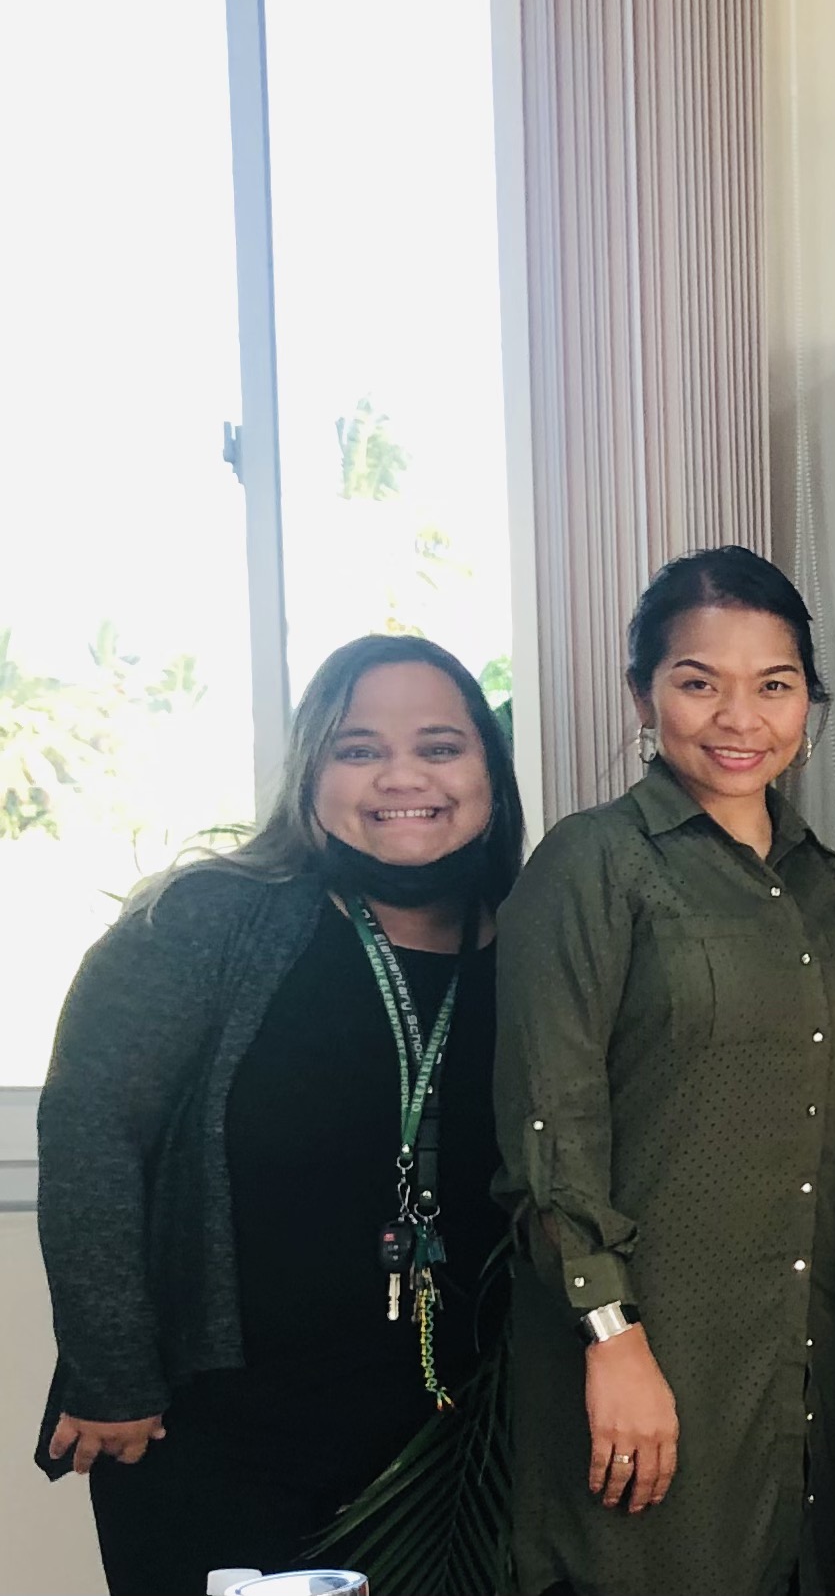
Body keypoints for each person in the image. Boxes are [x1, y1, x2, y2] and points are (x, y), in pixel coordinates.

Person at [34, 634, 522, 1596]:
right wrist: (113, 1375)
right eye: (356, 749)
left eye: (439, 745)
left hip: (447, 1444)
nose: (400, 776)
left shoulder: (536, 935)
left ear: (489, 774)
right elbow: (91, 1135)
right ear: (310, 774)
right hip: (215, 1433)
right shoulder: (206, 918)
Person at [493, 546, 835, 1596]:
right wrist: (609, 1337)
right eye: (697, 681)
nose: (736, 717)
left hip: (807, 1355)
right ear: (642, 692)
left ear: (810, 701)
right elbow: (548, 1126)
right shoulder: (592, 864)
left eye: (774, 684)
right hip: (643, 1356)